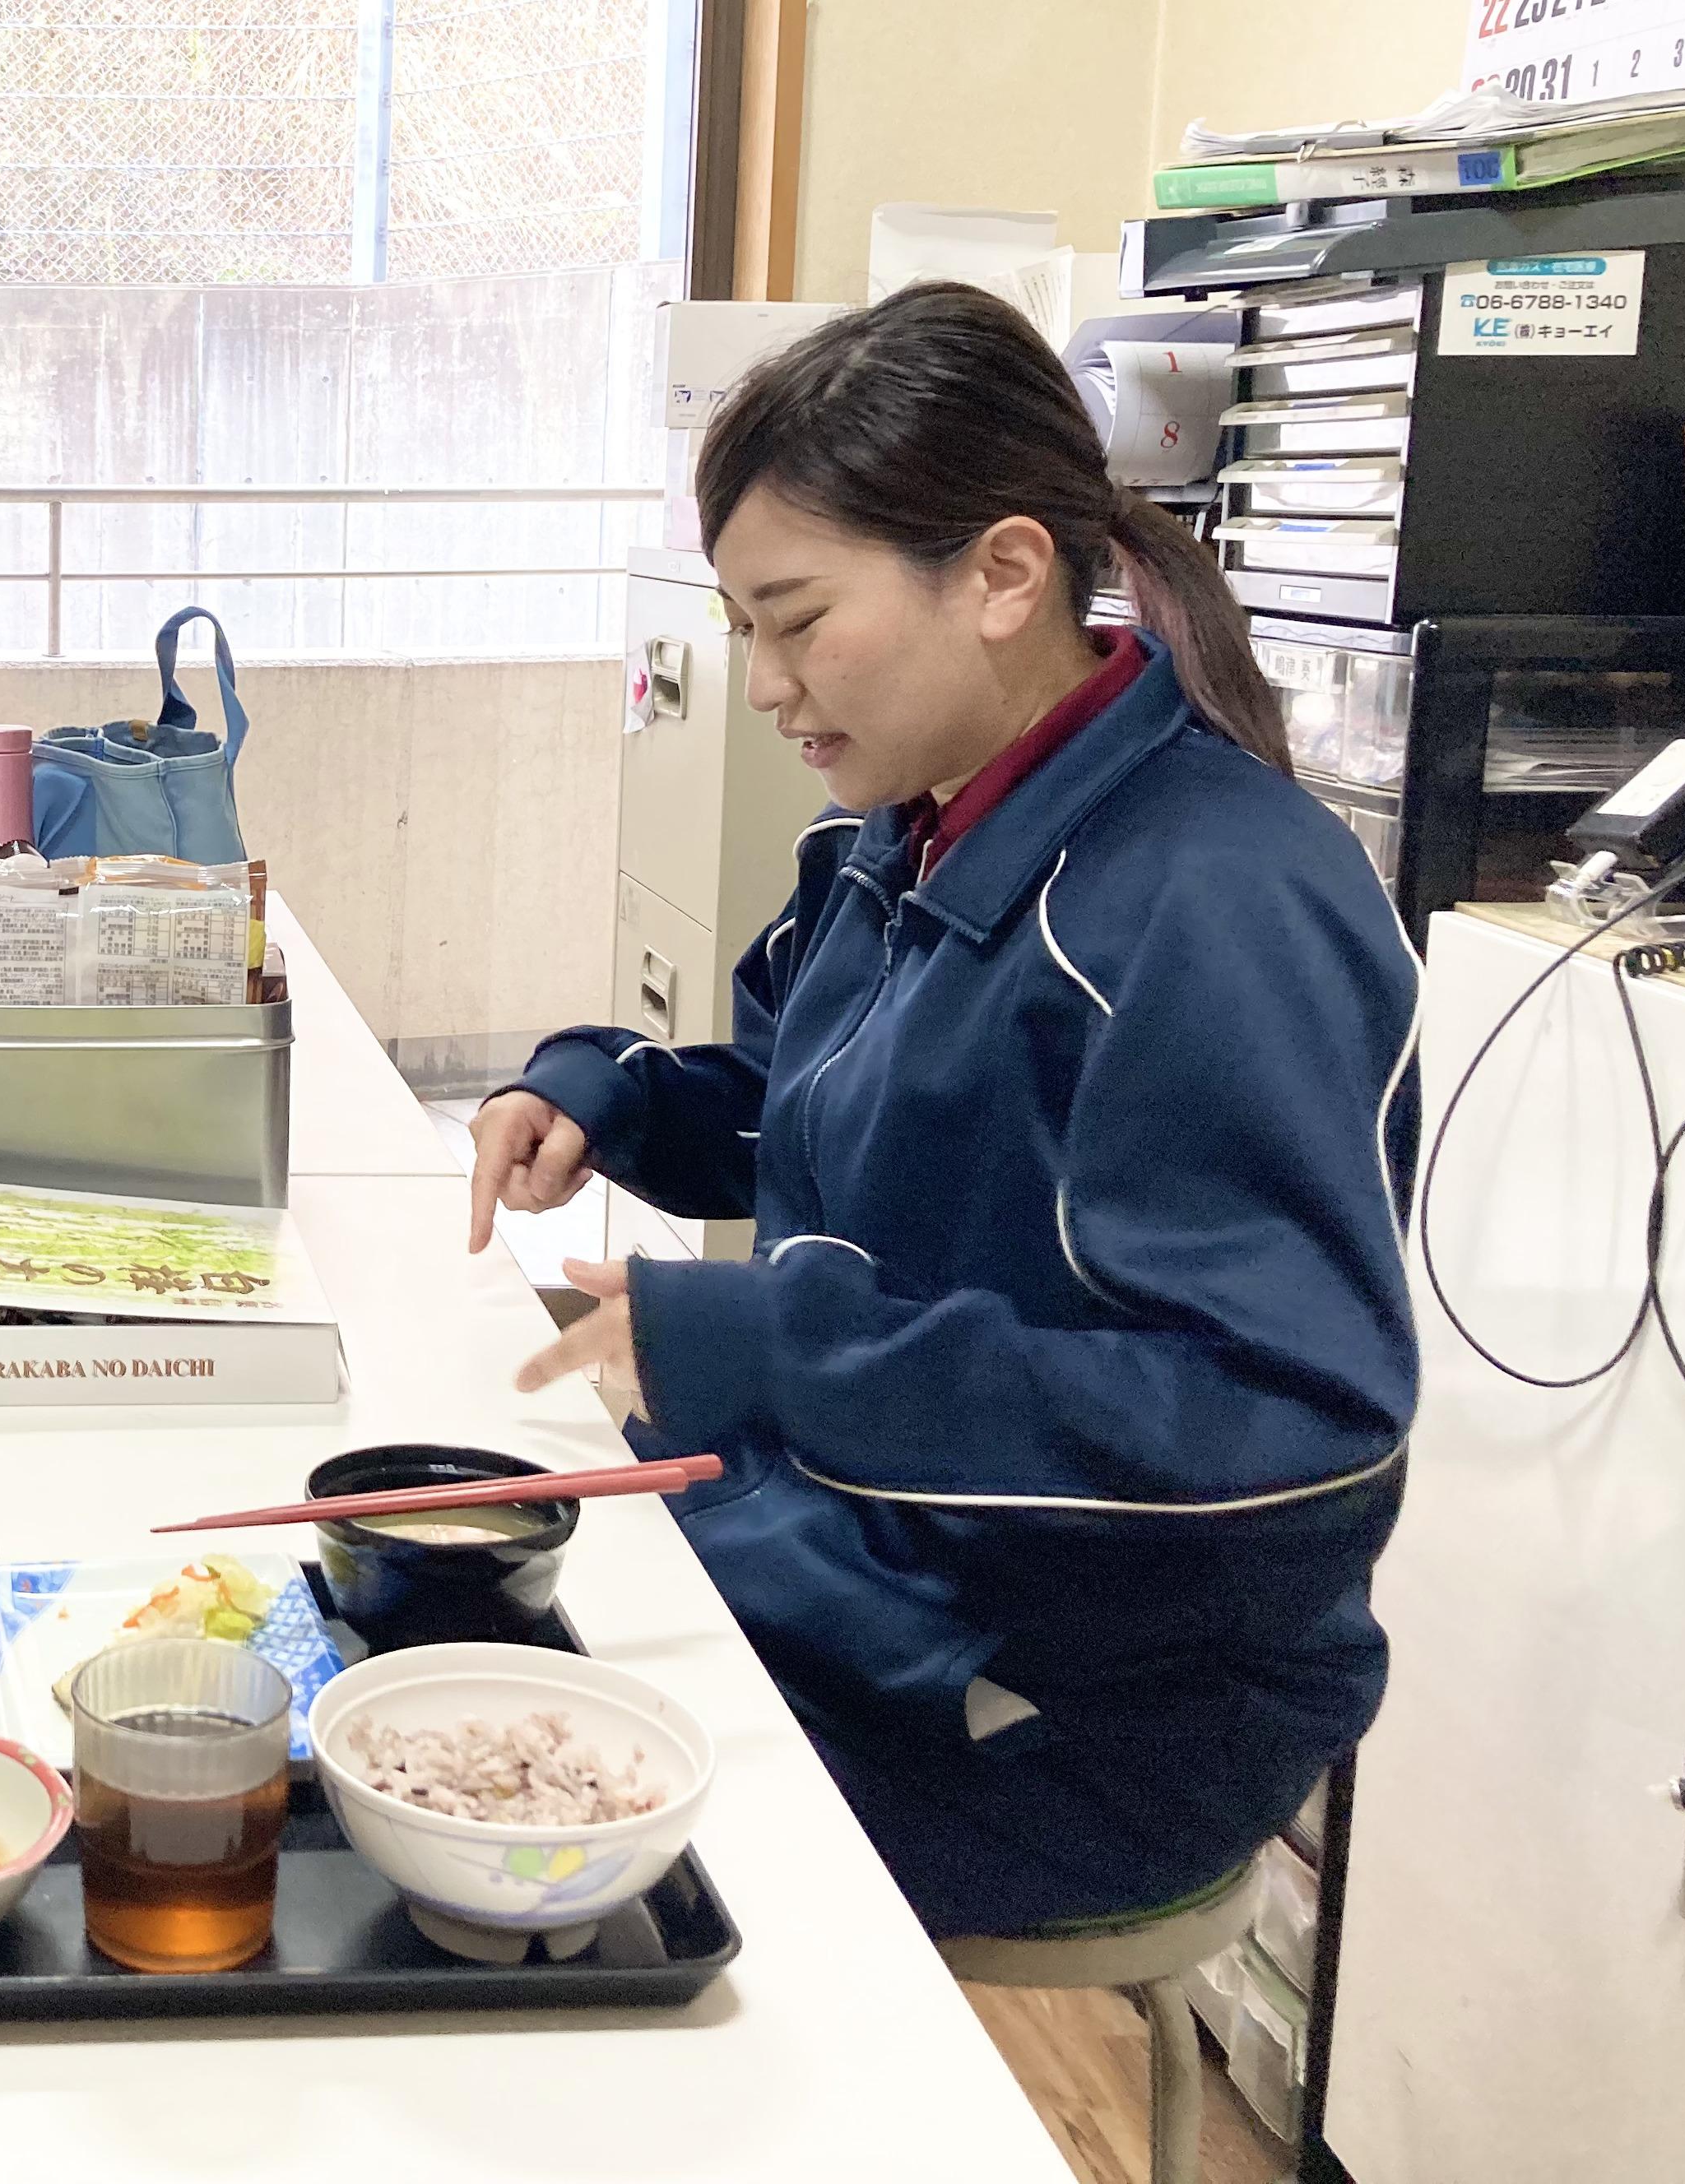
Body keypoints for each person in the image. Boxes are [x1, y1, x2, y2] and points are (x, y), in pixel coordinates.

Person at [467, 281, 1419, 1939]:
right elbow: (818, 1112)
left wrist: (784, 1351)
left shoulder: (1216, 901)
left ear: (1002, 575)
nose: (765, 685)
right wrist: (604, 1094)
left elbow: (1283, 1424)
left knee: (510, 1823)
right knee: (438, 1648)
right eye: (741, 629)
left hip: (1082, 1707)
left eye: (796, 620)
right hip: (871, 1555)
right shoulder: (911, 830)